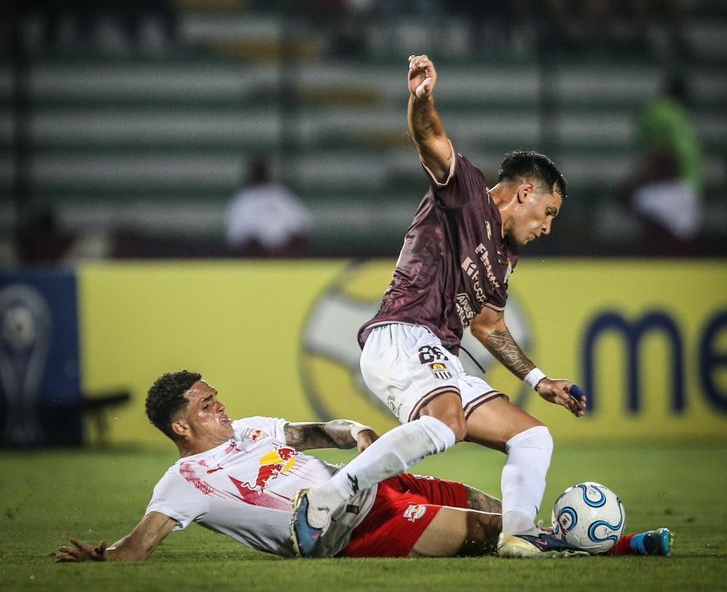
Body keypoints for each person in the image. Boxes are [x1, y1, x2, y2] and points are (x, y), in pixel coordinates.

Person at [292, 54, 587, 559]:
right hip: (401, 333)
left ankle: (518, 533)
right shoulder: (467, 193)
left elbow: (489, 326)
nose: (548, 228)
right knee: (447, 424)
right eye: (548, 213)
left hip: (438, 352)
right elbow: (431, 141)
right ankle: (326, 499)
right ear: (523, 192)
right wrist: (422, 99)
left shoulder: (505, 257)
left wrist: (540, 381)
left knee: (533, 437)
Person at [55, 370, 671, 562]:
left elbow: (324, 430)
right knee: (489, 537)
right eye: (205, 405)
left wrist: (361, 436)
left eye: (216, 395)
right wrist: (107, 556)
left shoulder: (250, 430)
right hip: (348, 527)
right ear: (180, 428)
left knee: (503, 512)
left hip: (376, 481)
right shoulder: (183, 482)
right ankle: (619, 548)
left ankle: (603, 543)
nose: (221, 406)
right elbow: (142, 545)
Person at [621, 74, 703, 254]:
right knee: (678, 232)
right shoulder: (672, 113)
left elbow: (661, 152)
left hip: (676, 184)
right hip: (680, 183)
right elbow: (664, 151)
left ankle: (657, 251)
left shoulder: (662, 112)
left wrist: (637, 178)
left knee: (632, 200)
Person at [225, 155, 313, 257]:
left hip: (285, 257)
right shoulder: (242, 200)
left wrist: (281, 249)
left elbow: (301, 227)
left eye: (262, 170)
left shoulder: (281, 195)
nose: (259, 173)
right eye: (257, 170)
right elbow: (236, 238)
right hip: (255, 260)